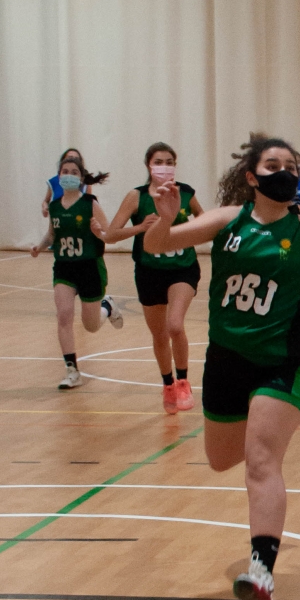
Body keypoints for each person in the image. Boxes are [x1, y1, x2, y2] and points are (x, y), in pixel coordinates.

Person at [144, 134, 300, 600]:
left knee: (261, 460)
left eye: (292, 165)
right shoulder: (227, 221)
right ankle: (261, 554)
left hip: (280, 363)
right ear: (251, 176)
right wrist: (165, 220)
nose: (284, 172)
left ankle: (261, 572)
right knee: (220, 459)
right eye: (273, 165)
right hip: (226, 361)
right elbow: (158, 245)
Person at [105, 144, 205, 413]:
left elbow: (204, 220)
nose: (165, 166)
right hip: (149, 271)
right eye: (159, 161)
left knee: (175, 325)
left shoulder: (185, 193)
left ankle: (183, 381)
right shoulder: (136, 197)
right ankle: (168, 384)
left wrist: (189, 229)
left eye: (170, 161)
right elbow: (110, 235)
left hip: (182, 268)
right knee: (159, 334)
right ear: (149, 165)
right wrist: (140, 227)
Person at [31, 161, 123, 388]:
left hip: (89, 267)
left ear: (81, 179)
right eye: (65, 172)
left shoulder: (90, 204)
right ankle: (72, 370)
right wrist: (39, 247)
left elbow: (109, 234)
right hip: (64, 268)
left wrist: (98, 232)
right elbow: (52, 235)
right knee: (63, 315)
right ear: (59, 176)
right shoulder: (54, 206)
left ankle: (107, 306)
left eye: (74, 172)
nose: (69, 175)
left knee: (90, 325)